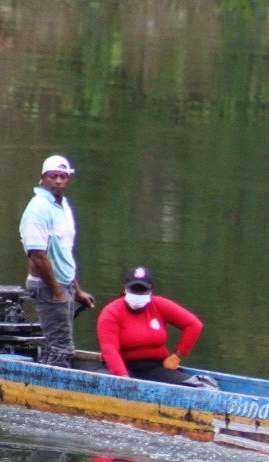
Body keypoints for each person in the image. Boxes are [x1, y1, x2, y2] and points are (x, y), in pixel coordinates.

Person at [19, 154, 96, 367]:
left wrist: (76, 290)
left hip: (63, 285)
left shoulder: (61, 206)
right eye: (53, 176)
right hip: (47, 286)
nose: (59, 181)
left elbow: (63, 255)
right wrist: (57, 292)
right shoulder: (39, 208)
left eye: (63, 176)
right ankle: (45, 394)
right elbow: (38, 256)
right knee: (62, 349)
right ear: (43, 178)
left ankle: (37, 382)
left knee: (57, 345)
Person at [95, 266, 204, 384]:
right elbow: (109, 350)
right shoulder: (111, 312)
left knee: (197, 385)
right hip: (120, 367)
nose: (138, 293)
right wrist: (124, 379)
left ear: (151, 290)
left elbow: (194, 325)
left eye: (142, 290)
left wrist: (176, 357)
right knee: (104, 382)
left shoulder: (159, 305)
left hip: (155, 368)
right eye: (133, 289)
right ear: (125, 288)